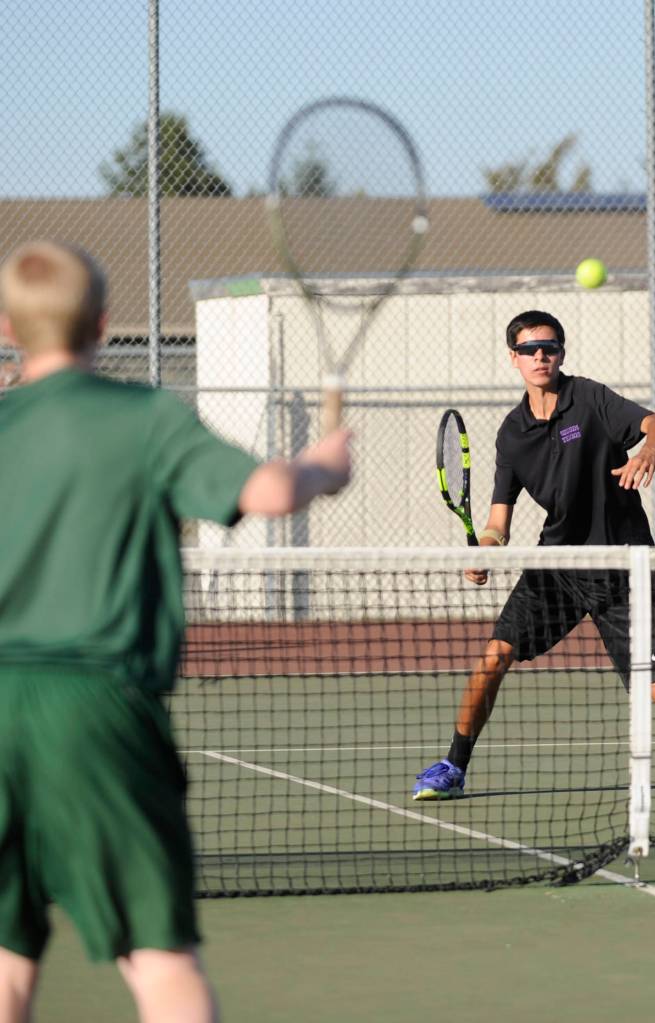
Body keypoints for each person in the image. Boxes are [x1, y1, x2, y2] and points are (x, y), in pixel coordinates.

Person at [0, 241, 351, 1023]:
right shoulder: (146, 417)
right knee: (160, 963)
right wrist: (324, 465)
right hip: (96, 708)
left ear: (7, 326)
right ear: (101, 323)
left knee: (5, 958)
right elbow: (268, 490)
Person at [412, 309, 655, 802]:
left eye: (549, 347)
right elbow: (497, 523)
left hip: (625, 571)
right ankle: (453, 764)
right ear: (513, 358)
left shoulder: (591, 399)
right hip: (558, 569)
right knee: (493, 658)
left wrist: (646, 451)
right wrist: (484, 551)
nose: (540, 356)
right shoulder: (512, 434)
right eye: (529, 349)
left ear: (561, 353)